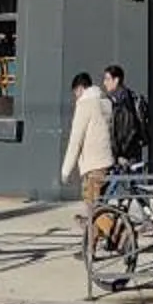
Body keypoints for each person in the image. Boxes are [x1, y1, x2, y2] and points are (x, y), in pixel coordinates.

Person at [60, 69, 115, 211]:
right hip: (106, 162)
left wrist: (66, 170)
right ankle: (95, 232)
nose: (76, 97)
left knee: (93, 209)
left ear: (80, 88)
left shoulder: (85, 105)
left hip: (93, 165)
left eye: (76, 93)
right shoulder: (105, 102)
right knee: (99, 206)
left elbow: (75, 140)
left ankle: (118, 231)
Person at [102, 63, 147, 168]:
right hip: (129, 152)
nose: (104, 83)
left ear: (116, 80)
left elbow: (127, 129)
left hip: (125, 156)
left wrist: (119, 154)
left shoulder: (123, 102)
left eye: (107, 79)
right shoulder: (127, 98)